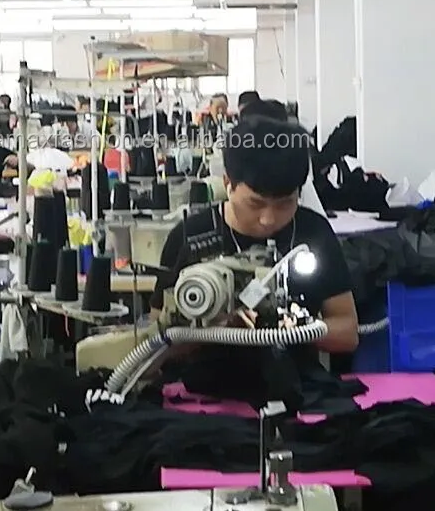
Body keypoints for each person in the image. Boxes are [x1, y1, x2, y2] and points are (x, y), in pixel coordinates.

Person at [150, 115, 359, 358]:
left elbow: (347, 333)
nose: (268, 219)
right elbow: (157, 343)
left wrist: (292, 328)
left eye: (284, 204)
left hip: (294, 377)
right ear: (228, 183)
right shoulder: (190, 236)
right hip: (204, 377)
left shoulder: (312, 233)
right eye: (255, 204)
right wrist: (214, 328)